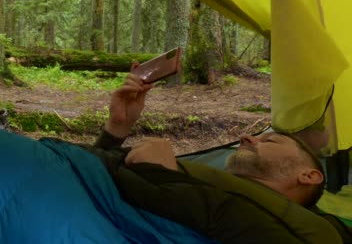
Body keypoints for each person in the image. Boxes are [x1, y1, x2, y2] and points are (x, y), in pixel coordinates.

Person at [98, 67, 326, 208]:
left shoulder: (278, 227)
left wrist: (165, 180)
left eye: (270, 140)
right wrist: (117, 127)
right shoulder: (217, 193)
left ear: (308, 175)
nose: (248, 137)